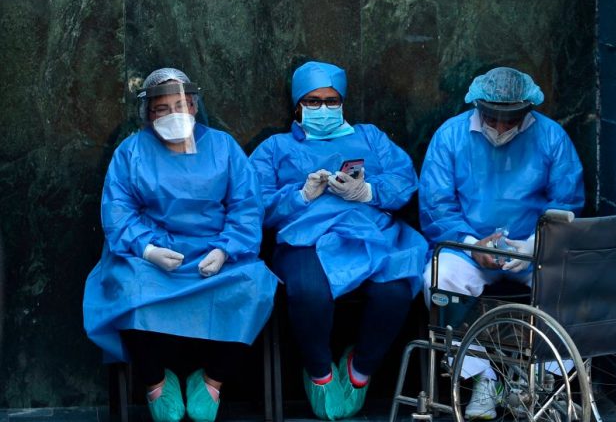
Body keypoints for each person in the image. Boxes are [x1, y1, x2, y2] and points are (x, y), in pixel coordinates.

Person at [83, 68, 278, 422]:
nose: (174, 114)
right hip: (154, 254)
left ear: (193, 105)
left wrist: (226, 250)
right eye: (162, 108)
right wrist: (146, 249)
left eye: (181, 104)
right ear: (148, 113)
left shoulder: (223, 147)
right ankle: (155, 382)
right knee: (128, 288)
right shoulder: (131, 153)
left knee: (255, 286)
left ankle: (213, 382)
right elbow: (118, 210)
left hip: (215, 251)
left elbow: (246, 206)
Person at [249, 61, 428, 420]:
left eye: (331, 101)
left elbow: (404, 178)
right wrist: (300, 195)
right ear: (298, 105)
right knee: (310, 293)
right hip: (305, 241)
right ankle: (320, 374)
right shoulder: (275, 147)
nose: (323, 109)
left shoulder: (371, 137)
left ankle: (359, 373)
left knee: (395, 292)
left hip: (370, 233)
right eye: (313, 102)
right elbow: (252, 203)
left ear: (343, 101)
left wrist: (368, 191)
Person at [419, 66, 585, 419]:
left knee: (573, 282)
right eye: (492, 117)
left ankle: (545, 380)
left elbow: (566, 203)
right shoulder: (450, 137)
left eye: (510, 120)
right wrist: (472, 245)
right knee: (440, 278)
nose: (499, 127)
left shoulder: (551, 137)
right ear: (478, 107)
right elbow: (436, 207)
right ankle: (483, 380)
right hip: (468, 247)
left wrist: (534, 246)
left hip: (532, 248)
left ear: (528, 111)